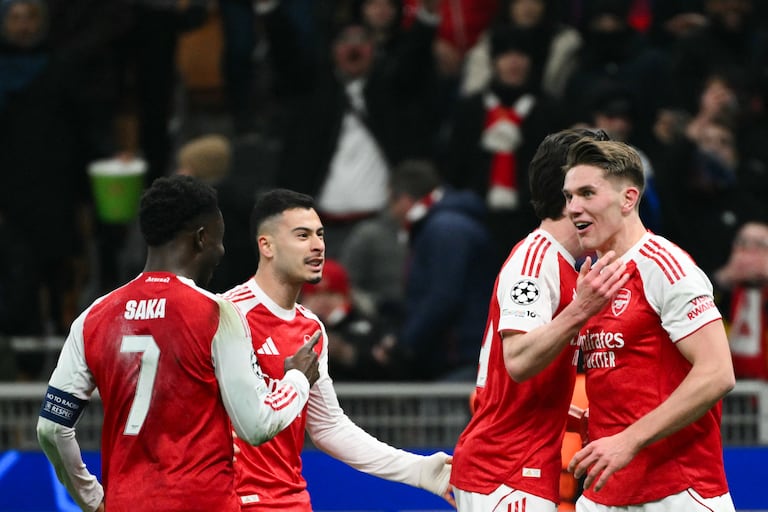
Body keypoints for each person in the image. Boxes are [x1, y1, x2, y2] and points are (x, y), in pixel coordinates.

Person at [36, 175, 320, 512]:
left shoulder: (94, 317)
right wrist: (297, 379)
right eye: (219, 239)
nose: (221, 251)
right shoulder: (216, 314)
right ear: (202, 239)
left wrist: (93, 499)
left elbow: (52, 428)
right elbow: (256, 425)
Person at [221, 188, 453, 511]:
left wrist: (416, 469)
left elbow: (328, 427)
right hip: (235, 502)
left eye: (320, 235)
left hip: (292, 501)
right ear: (267, 245)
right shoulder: (227, 315)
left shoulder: (310, 328)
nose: (317, 245)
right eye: (302, 236)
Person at [450, 128, 629, 512]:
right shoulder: (535, 261)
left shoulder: (568, 264)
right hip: (506, 471)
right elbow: (517, 361)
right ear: (568, 196)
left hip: (526, 469)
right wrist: (581, 310)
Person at [562, 139, 736, 510]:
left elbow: (718, 373)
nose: (573, 207)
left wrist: (628, 440)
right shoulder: (591, 279)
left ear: (628, 199)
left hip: (677, 491)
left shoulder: (665, 266)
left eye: (587, 193)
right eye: (569, 196)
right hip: (605, 491)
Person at [387, 159, 498, 381]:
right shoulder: (445, 225)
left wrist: (405, 344)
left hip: (463, 357)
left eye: (391, 203)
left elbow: (444, 296)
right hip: (462, 355)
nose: (391, 213)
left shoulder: (446, 229)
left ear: (405, 200)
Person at [713, 220, 768, 380]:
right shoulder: (718, 288)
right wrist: (725, 278)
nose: (749, 250)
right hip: (729, 389)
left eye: (760, 244)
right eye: (742, 242)